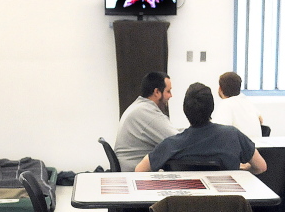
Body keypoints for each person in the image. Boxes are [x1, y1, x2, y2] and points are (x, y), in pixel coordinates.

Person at [134, 83, 267, 174]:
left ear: (185, 110)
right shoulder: (233, 135)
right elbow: (261, 167)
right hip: (226, 211)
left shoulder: (170, 144)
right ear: (212, 108)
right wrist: (240, 173)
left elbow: (139, 170)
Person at [113, 71, 178, 171]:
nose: (171, 96)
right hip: (135, 174)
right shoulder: (147, 113)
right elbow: (177, 142)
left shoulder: (141, 107)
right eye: (168, 91)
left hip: (130, 170)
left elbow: (171, 132)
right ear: (157, 92)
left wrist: (189, 132)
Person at [211, 71, 263, 140]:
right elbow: (261, 120)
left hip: (239, 148)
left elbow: (219, 131)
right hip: (257, 147)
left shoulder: (226, 104)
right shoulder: (247, 101)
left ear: (220, 89)